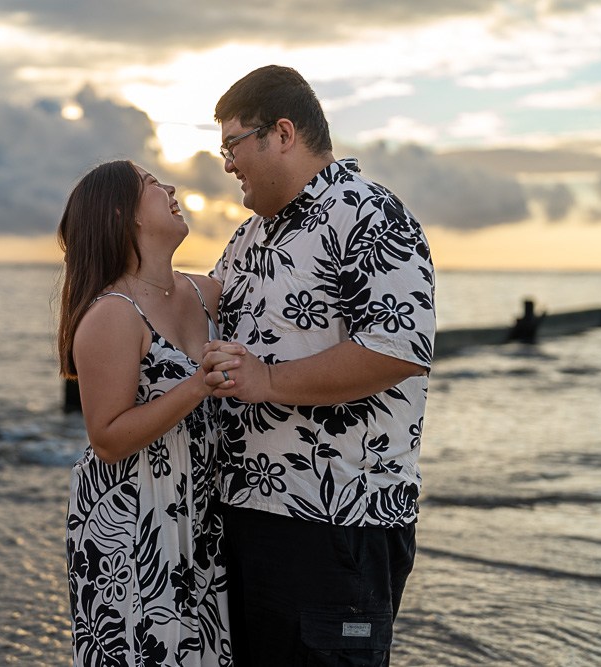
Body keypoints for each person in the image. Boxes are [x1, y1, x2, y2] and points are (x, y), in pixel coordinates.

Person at [201, 65, 436, 666]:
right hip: (249, 513)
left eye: (231, 144)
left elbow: (398, 347)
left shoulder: (369, 214)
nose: (226, 162)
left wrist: (268, 379)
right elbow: (200, 305)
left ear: (282, 133)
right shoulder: (250, 235)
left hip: (337, 522)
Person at [58, 160, 235, 666]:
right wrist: (198, 386)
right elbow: (108, 438)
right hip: (132, 522)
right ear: (124, 214)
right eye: (152, 184)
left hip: (197, 513)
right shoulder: (112, 314)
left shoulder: (205, 293)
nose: (170, 187)